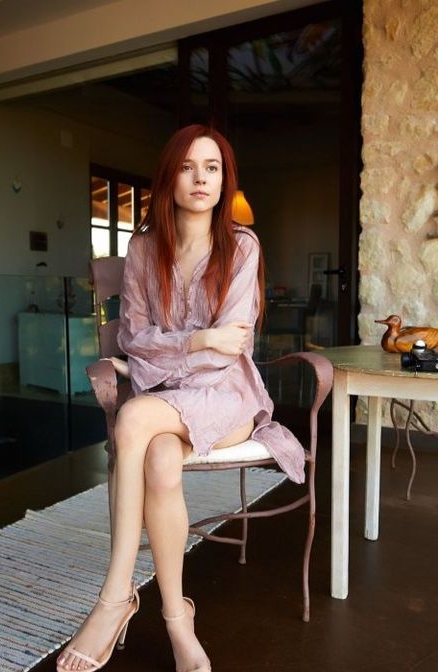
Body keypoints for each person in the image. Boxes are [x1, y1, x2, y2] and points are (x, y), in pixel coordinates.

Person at [56, 124, 305, 672]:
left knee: (133, 417)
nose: (200, 178)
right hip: (166, 400)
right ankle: (177, 619)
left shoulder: (242, 246)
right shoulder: (143, 248)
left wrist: (174, 351)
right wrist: (197, 339)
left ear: (224, 178)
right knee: (160, 460)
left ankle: (114, 597)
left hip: (228, 398)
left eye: (212, 168)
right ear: (169, 177)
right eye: (188, 167)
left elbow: (228, 352)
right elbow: (132, 337)